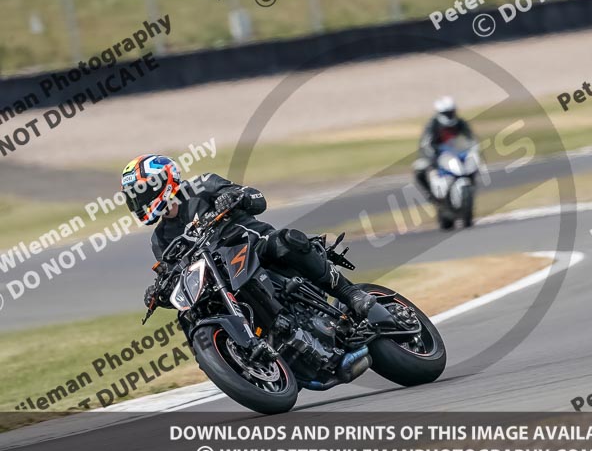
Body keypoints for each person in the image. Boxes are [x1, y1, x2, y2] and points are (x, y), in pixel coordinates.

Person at [120, 154, 376, 318]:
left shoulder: (202, 186)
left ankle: (350, 293)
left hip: (254, 246)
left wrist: (236, 197)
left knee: (286, 241)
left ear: (163, 181)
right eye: (134, 196)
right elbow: (174, 276)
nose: (139, 200)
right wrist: (160, 293)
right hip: (223, 278)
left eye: (142, 192)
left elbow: (257, 198)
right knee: (195, 313)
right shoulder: (160, 239)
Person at [413, 96, 476, 200]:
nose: (450, 115)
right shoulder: (432, 125)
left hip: (457, 154)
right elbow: (425, 144)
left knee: (473, 164)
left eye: (451, 112)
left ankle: (470, 187)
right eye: (447, 113)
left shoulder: (460, 123)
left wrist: (472, 150)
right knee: (419, 168)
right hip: (438, 155)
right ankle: (430, 195)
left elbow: (471, 139)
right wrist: (432, 157)